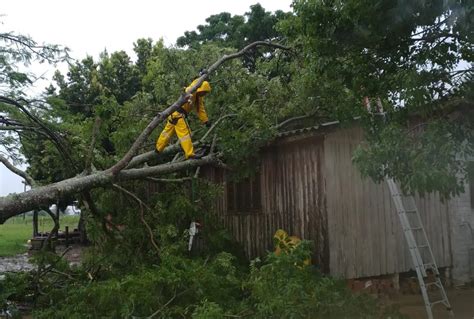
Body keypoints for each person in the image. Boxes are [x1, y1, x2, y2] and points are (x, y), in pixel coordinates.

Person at [155, 77, 211, 159]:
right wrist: (200, 77)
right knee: (186, 134)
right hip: (179, 114)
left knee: (167, 132)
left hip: (173, 113)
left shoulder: (198, 98)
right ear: (200, 88)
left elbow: (200, 109)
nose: (204, 94)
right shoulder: (191, 89)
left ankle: (158, 149)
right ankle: (190, 154)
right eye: (203, 92)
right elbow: (191, 86)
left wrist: (205, 121)